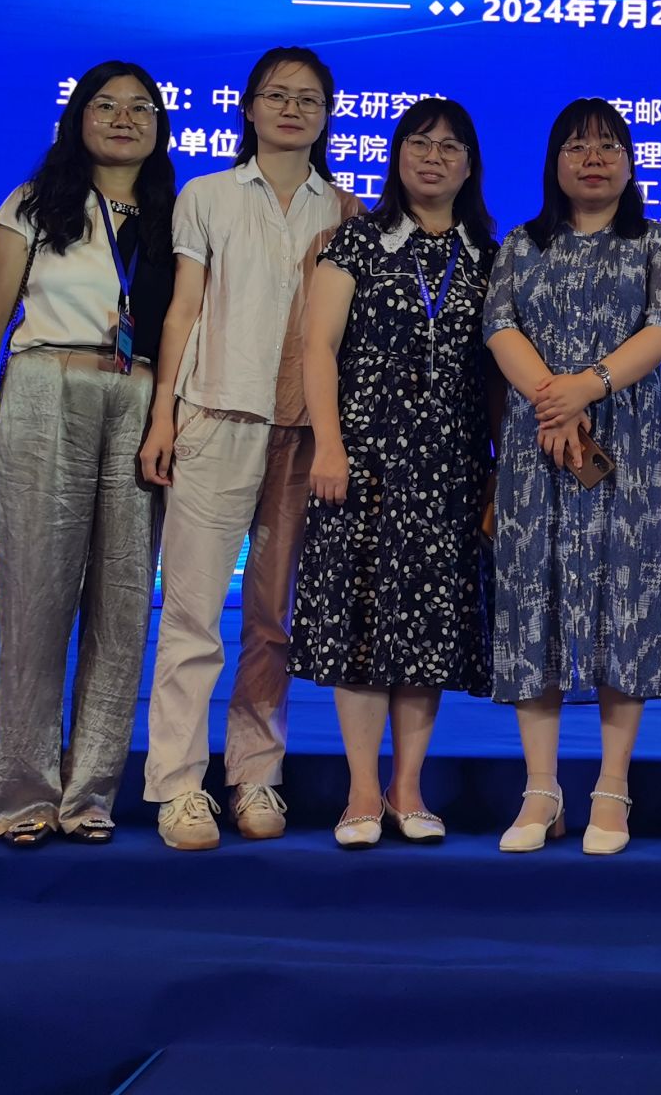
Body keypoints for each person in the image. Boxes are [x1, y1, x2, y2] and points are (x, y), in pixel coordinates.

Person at [0, 62, 176, 845]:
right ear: (78, 118)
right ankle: (21, 795)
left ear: (159, 127)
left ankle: (89, 795)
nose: (123, 118)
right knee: (36, 600)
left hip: (138, 397)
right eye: (105, 105)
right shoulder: (35, 203)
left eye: (140, 108)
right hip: (48, 386)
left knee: (123, 604)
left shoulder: (175, 216)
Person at [139, 47, 360, 852]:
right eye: (277, 95)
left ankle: (255, 772)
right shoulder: (207, 195)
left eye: (308, 99)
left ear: (328, 115)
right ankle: (177, 785)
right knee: (192, 614)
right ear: (249, 107)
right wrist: (163, 416)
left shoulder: (348, 211)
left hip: (301, 434)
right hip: (215, 418)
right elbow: (181, 311)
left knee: (273, 620)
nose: (292, 109)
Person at [484, 99, 661, 855]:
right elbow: (499, 326)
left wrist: (586, 388)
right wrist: (554, 400)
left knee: (622, 607)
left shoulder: (659, 244)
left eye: (608, 146)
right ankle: (541, 790)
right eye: (576, 147)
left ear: (631, 164)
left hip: (623, 452)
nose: (593, 159)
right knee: (530, 607)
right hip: (535, 452)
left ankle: (612, 786)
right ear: (555, 163)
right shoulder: (521, 243)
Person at [290, 97, 498, 849]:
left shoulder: (489, 255)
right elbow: (319, 347)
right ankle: (360, 792)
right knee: (362, 623)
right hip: (365, 460)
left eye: (450, 146)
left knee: (428, 629)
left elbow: (497, 375)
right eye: (419, 143)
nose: (433, 158)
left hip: (451, 466)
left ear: (469, 166)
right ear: (396, 155)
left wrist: (496, 470)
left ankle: (408, 788)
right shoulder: (356, 241)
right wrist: (329, 445)